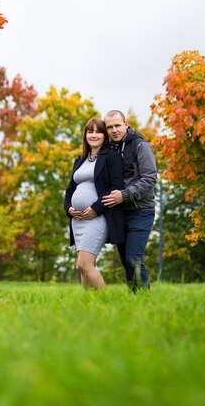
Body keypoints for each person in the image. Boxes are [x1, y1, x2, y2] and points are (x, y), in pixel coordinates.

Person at [64, 118, 125, 289]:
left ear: (104, 135)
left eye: (98, 131)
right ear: (85, 135)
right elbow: (69, 190)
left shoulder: (111, 157)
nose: (94, 135)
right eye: (90, 131)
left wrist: (96, 209)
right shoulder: (80, 160)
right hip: (78, 221)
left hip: (98, 217)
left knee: (84, 264)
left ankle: (105, 302)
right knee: (84, 269)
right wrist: (69, 209)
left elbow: (116, 187)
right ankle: (91, 306)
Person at [101, 110, 157, 292]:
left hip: (141, 210)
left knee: (133, 259)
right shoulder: (109, 150)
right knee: (126, 262)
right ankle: (135, 302)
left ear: (126, 124)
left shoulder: (141, 146)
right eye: (109, 127)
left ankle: (146, 302)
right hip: (119, 212)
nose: (114, 130)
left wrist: (124, 195)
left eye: (117, 125)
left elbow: (150, 178)